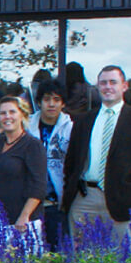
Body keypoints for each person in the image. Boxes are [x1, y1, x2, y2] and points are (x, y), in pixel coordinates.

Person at [62, 65, 131, 245]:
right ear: (97, 86)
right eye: (103, 83)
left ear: (124, 86)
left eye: (113, 82)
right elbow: (71, 162)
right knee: (83, 262)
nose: (107, 87)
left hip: (124, 201)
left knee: (123, 262)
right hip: (85, 199)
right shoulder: (84, 120)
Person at [0, 96, 47, 251]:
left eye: (12, 112)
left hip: (21, 220)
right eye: (3, 113)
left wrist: (24, 216)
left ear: (22, 115)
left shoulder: (33, 145)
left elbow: (38, 186)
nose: (7, 117)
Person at [26, 80, 73, 249]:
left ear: (63, 103)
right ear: (39, 102)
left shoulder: (70, 129)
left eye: (56, 99)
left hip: (56, 203)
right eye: (47, 99)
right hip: (29, 202)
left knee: (57, 251)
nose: (51, 104)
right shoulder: (26, 126)